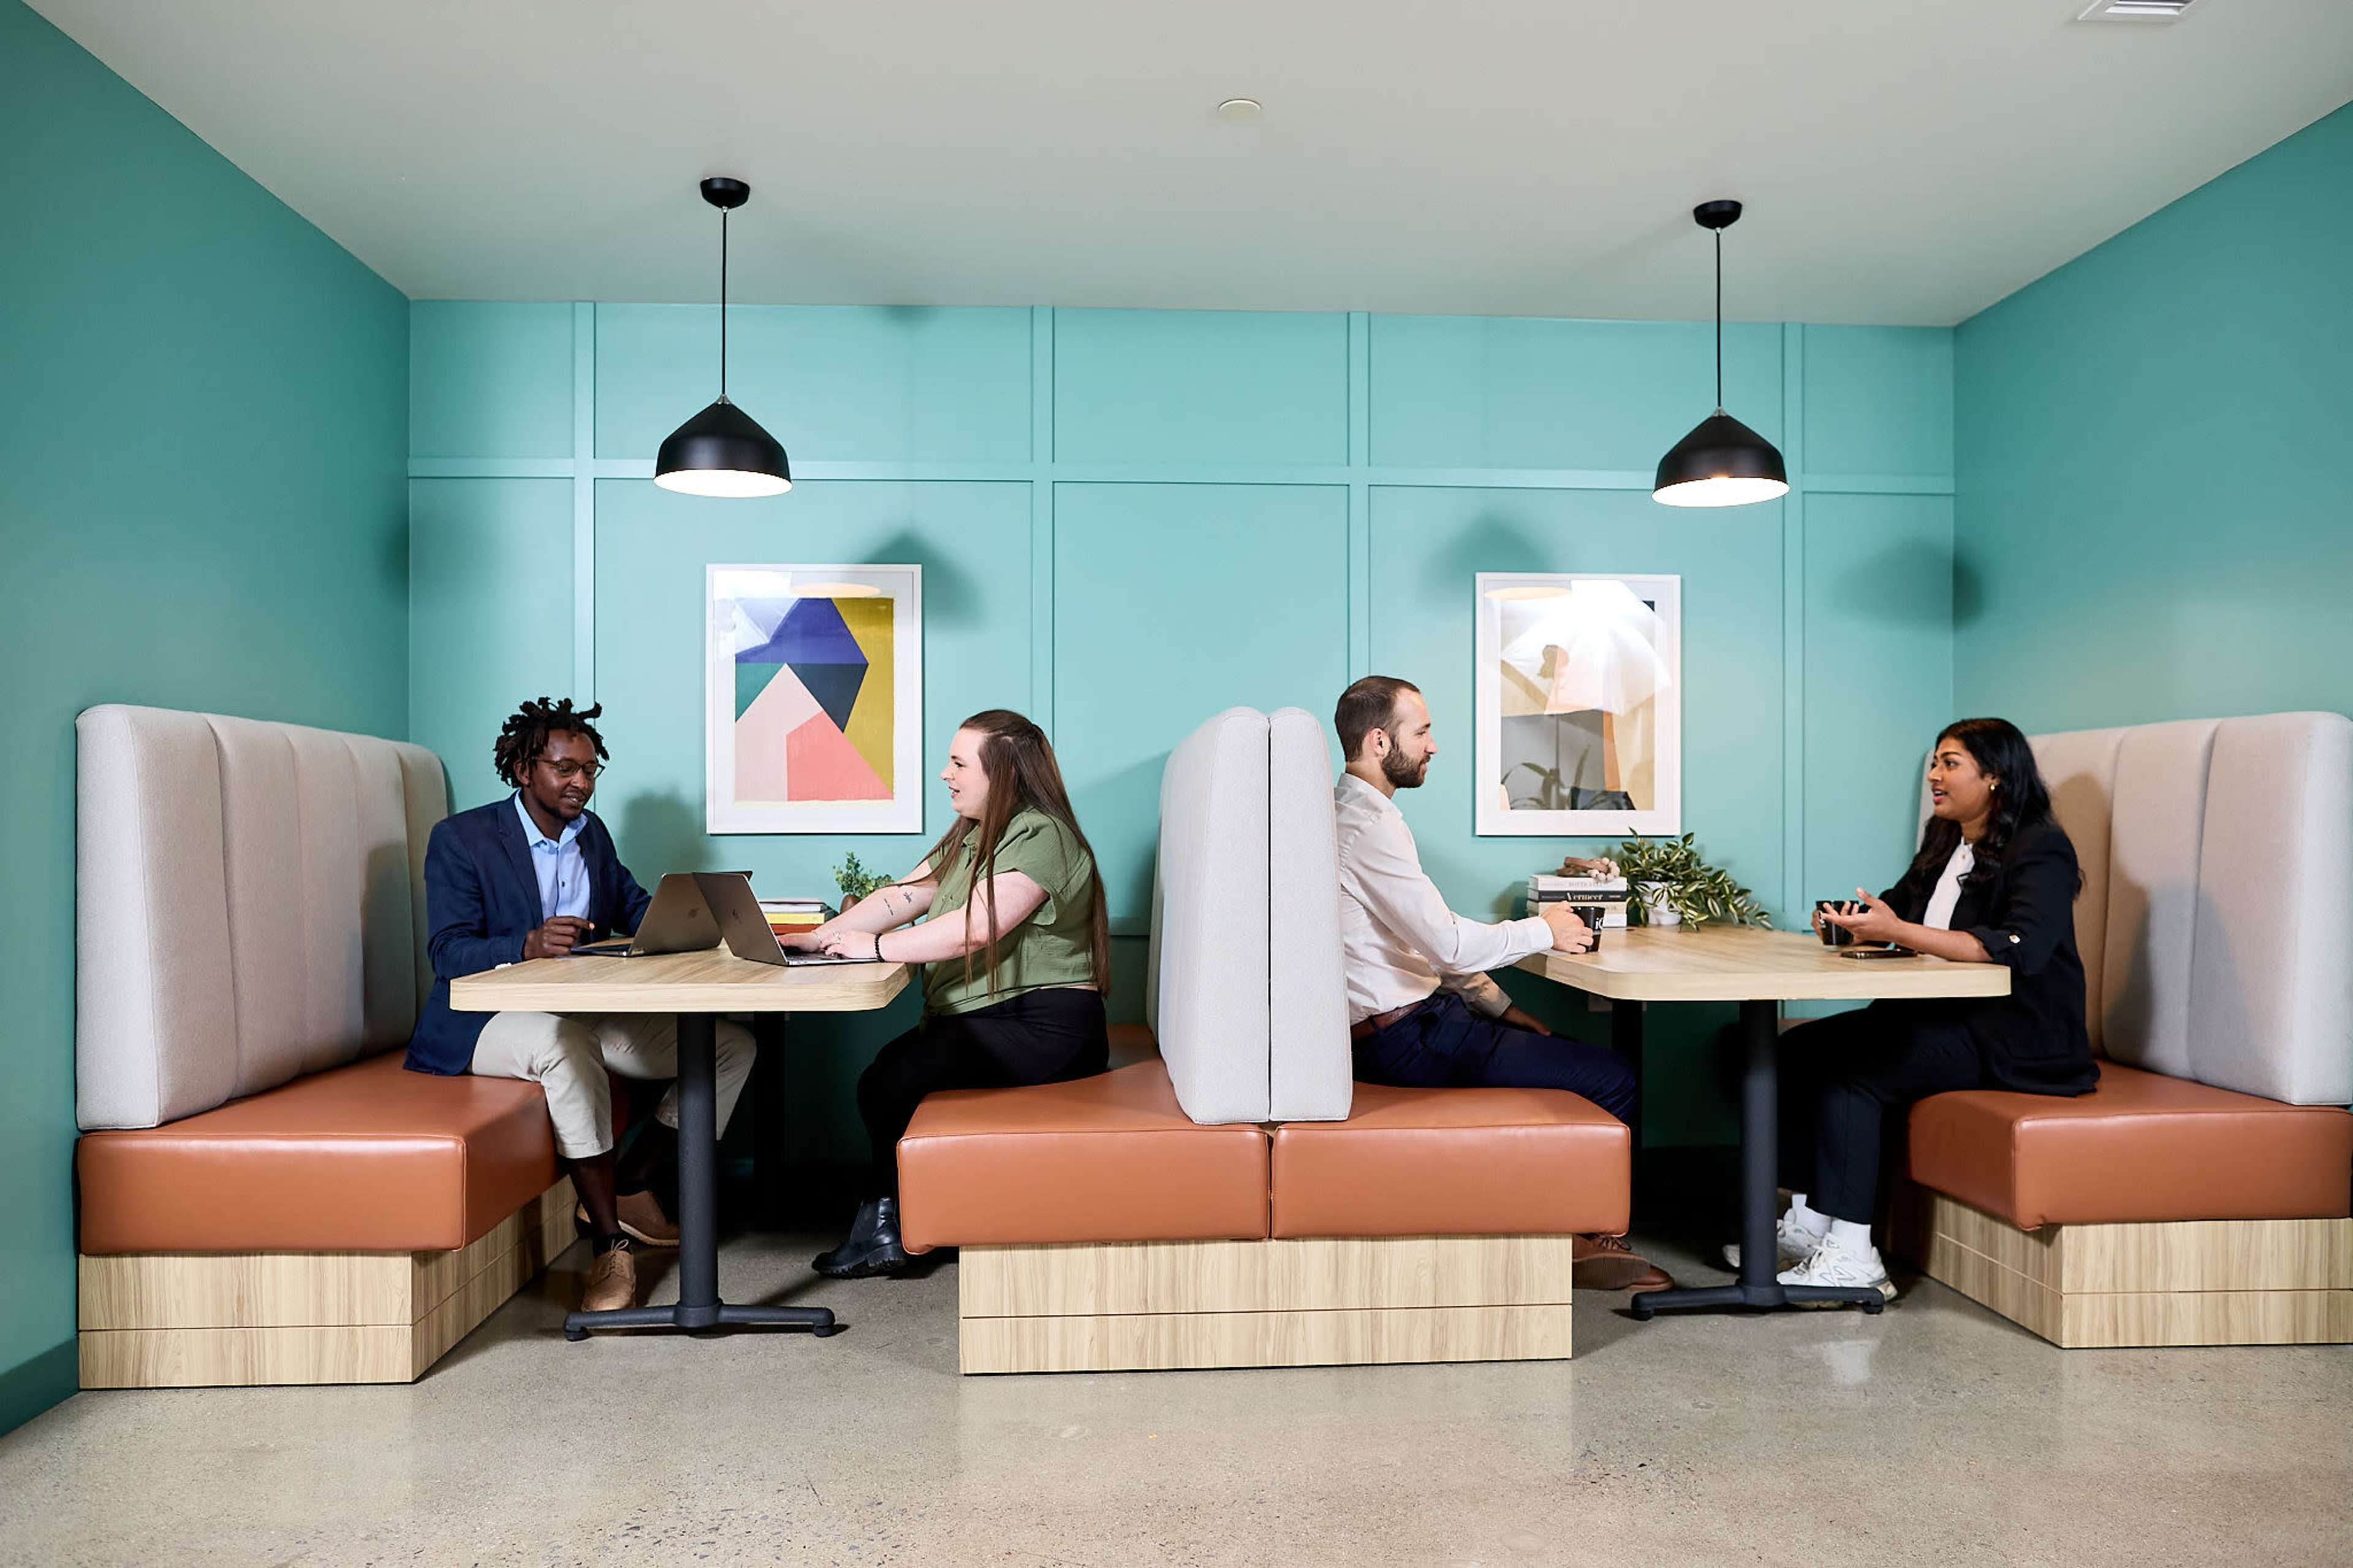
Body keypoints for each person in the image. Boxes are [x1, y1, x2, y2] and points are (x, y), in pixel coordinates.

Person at [405, 697, 757, 1314]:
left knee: (732, 1046)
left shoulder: (590, 834)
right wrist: (526, 944)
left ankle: (629, 1181)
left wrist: (696, 924)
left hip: (578, 1011)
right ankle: (609, 1241)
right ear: (524, 770)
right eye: (566, 770)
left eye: (591, 771)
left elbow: (631, 904)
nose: (582, 784)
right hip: (481, 1024)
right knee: (561, 1046)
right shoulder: (462, 840)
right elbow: (446, 953)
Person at [1330, 676, 1672, 1293]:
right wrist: (1543, 929)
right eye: (1423, 731)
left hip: (1414, 1026)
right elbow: (1448, 944)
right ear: (1380, 742)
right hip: (1409, 1039)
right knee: (1614, 1077)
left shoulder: (1357, 817)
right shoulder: (1368, 829)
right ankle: (1582, 1239)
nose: (1434, 746)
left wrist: (1504, 1008)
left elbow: (1418, 943)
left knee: (1564, 1052)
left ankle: (1572, 1229)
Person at [1767, 716, 2097, 1299]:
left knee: (1855, 1076)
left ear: (1995, 776)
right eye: (1935, 763)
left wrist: (1899, 929)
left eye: (1950, 763)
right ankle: (1812, 1224)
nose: (1934, 775)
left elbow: (2018, 949)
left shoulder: (2041, 847)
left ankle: (1853, 1257)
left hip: (2013, 1036)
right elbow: (1898, 910)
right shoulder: (1946, 837)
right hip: (1937, 1019)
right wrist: (1850, 923)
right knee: (1789, 1053)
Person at [797, 710, 1112, 1279]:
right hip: (1002, 1020)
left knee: (892, 1079)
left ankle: (888, 1230)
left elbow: (978, 926)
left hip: (1050, 1027)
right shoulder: (972, 836)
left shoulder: (1042, 834)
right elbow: (904, 897)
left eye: (960, 763)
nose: (945, 773)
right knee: (887, 1075)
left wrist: (877, 949)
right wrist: (819, 938)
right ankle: (893, 1226)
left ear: (1006, 774)